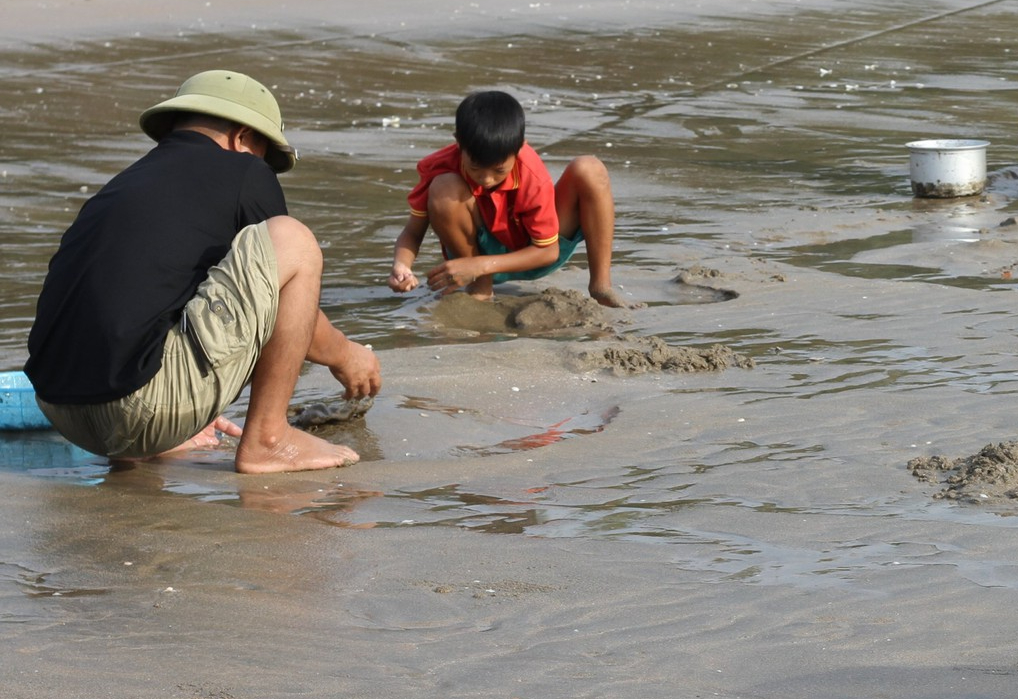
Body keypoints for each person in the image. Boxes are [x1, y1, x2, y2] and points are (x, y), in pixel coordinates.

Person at [26, 70, 382, 474]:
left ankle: (139, 446)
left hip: (60, 408)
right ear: (243, 137)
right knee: (293, 241)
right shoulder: (245, 170)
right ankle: (269, 438)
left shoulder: (122, 186)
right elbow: (282, 300)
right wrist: (346, 355)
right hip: (139, 408)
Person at [388, 89, 638, 308]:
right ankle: (480, 289)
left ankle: (601, 287)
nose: (486, 179)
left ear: (519, 149)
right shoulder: (439, 165)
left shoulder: (530, 173)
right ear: (458, 144)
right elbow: (412, 232)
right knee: (443, 187)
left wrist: (481, 265)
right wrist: (402, 266)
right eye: (476, 169)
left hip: (535, 252)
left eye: (499, 170)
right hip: (471, 262)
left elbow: (548, 251)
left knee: (590, 168)